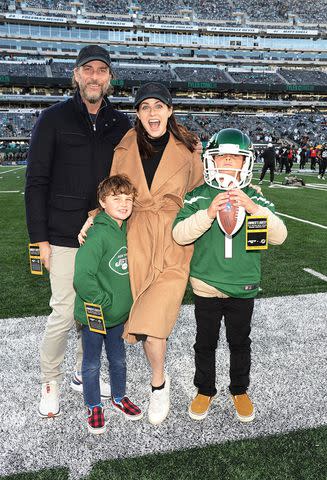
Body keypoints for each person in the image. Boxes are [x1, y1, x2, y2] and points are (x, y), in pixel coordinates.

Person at [80, 82, 203, 425]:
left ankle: (158, 383)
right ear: (137, 113)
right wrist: (94, 218)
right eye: (145, 107)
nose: (152, 112)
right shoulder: (125, 147)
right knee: (145, 323)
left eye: (158, 106)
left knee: (155, 323)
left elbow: (200, 192)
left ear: (169, 110)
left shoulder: (189, 148)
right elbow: (115, 192)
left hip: (174, 239)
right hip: (135, 239)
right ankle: (159, 380)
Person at [25, 44, 131, 418]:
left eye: (102, 70)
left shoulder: (121, 124)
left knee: (95, 305)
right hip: (63, 234)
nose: (94, 76)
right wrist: (40, 241)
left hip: (103, 234)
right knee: (63, 311)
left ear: (109, 79)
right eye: (88, 70)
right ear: (76, 75)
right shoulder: (53, 118)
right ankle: (50, 379)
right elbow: (35, 181)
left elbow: (127, 178)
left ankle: (79, 373)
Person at [172, 128, 287, 423]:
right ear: (210, 160)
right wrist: (208, 213)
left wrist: (253, 208)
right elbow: (180, 235)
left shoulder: (255, 198)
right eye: (222, 156)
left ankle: (239, 389)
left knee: (240, 342)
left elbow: (279, 236)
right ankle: (204, 390)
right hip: (206, 283)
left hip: (242, 285)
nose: (227, 163)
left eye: (235, 158)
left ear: (245, 163)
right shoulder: (197, 197)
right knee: (204, 342)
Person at [74, 175, 143, 434]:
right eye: (116, 198)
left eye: (128, 199)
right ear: (103, 202)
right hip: (96, 313)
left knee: (119, 360)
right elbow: (82, 277)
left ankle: (118, 397)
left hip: (117, 316)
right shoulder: (99, 234)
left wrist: (120, 305)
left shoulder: (126, 228)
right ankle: (93, 405)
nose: (124, 204)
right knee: (91, 363)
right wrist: (105, 301)